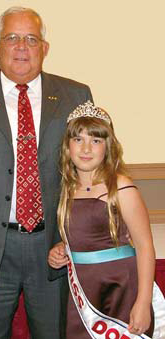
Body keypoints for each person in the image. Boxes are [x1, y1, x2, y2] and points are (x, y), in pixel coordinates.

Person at [0, 6, 93, 339]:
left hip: (53, 249)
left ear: (44, 49)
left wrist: (70, 238)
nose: (22, 47)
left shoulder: (76, 95)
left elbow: (93, 172)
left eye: (31, 39)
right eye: (12, 38)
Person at [48, 101, 157, 338]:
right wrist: (61, 249)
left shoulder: (121, 187)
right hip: (83, 288)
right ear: (67, 146)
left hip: (121, 287)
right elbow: (80, 235)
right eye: (78, 140)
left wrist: (142, 302)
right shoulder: (66, 188)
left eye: (95, 141)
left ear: (108, 147)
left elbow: (145, 247)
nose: (86, 148)